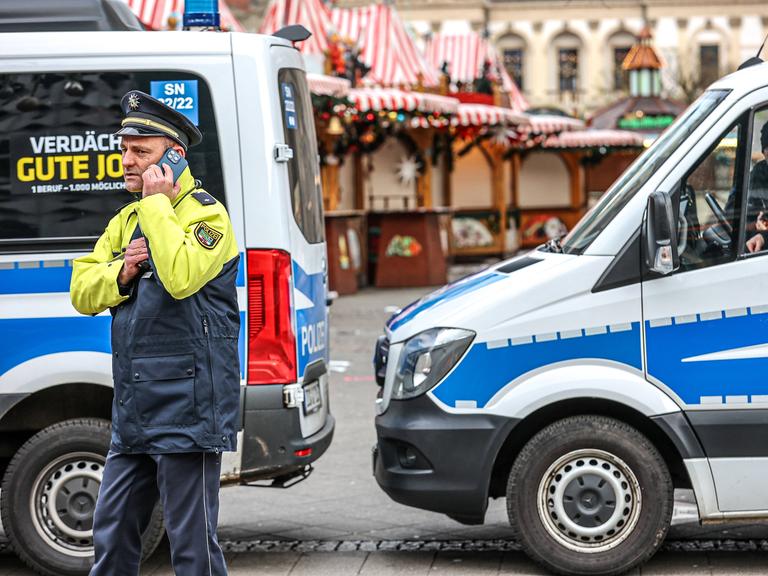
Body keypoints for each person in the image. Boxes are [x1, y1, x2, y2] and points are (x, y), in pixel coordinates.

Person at [70, 90, 240, 576]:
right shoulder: (124, 220)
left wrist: (158, 207)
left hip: (189, 404)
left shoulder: (207, 215)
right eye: (124, 149)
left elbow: (182, 275)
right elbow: (82, 291)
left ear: (174, 156)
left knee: (193, 548)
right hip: (135, 408)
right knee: (112, 532)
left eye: (140, 151)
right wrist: (121, 273)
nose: (127, 160)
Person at [740, 122, 768, 252]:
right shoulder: (758, 172)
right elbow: (737, 214)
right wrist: (755, 225)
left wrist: (764, 236)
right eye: (767, 149)